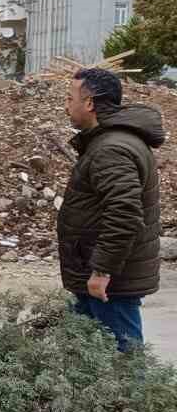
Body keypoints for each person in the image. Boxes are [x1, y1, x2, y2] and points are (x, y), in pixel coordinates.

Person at [58, 67, 164, 352]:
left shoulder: (111, 149)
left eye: (70, 98)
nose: (66, 105)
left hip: (108, 283)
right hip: (96, 275)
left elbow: (124, 213)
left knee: (123, 363)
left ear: (90, 103)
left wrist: (102, 270)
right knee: (89, 359)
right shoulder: (111, 142)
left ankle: (136, 399)